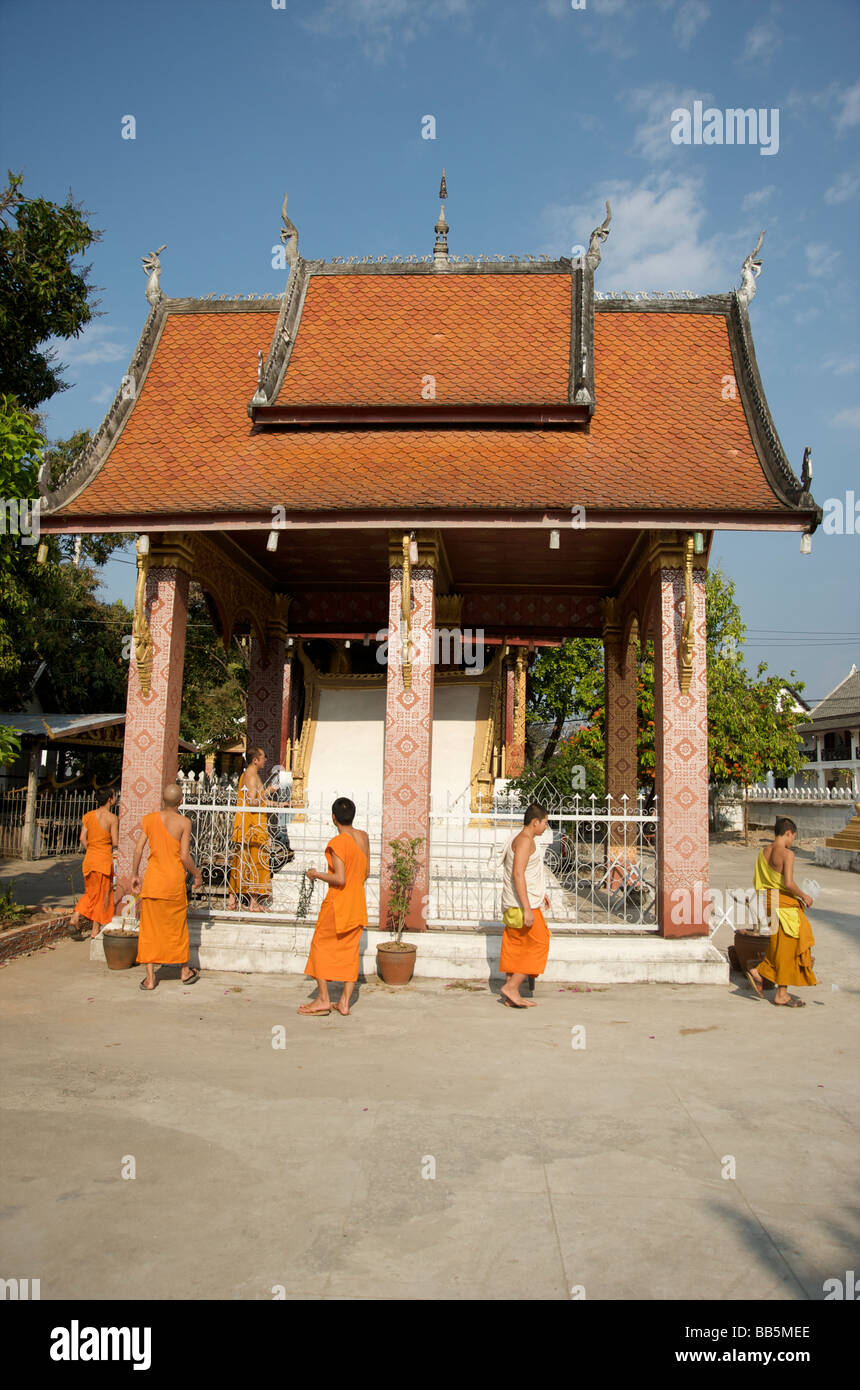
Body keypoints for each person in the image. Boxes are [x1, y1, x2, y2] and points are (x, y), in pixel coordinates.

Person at [299, 797, 369, 1017]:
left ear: (333, 818)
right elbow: (364, 873)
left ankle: (323, 999)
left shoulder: (339, 842)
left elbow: (339, 879)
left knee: (319, 946)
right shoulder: (364, 838)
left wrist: (316, 874)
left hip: (338, 904)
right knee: (350, 954)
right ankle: (345, 1003)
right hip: (357, 902)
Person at [131, 784, 202, 992]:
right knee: (177, 928)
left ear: (163, 801)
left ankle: (150, 978)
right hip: (173, 883)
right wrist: (197, 874)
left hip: (153, 882)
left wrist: (135, 874)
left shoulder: (150, 820)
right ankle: (184, 971)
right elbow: (184, 856)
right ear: (180, 802)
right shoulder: (184, 822)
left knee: (149, 930)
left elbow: (138, 849)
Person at [747, 817, 817, 1007]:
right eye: (793, 837)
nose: (792, 841)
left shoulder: (763, 852)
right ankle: (763, 974)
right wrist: (804, 896)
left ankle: (780, 989)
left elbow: (758, 880)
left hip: (769, 901)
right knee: (792, 943)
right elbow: (788, 883)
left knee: (780, 944)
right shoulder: (787, 854)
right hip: (784, 903)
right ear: (788, 833)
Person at [497, 802, 552, 1008]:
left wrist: (541, 893)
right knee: (540, 943)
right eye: (545, 822)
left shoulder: (522, 839)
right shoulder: (524, 841)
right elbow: (518, 873)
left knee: (516, 946)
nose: (546, 827)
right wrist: (528, 907)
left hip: (518, 902)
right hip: (522, 905)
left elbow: (528, 872)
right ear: (535, 822)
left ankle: (510, 995)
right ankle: (511, 988)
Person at [226, 746, 274, 911]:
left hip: (251, 823)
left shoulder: (250, 775)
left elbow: (257, 800)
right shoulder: (251, 776)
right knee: (254, 860)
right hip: (252, 825)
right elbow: (253, 802)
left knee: (243, 859)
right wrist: (268, 791)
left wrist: (282, 804)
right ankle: (252, 902)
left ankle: (233, 899)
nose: (265, 760)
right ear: (255, 760)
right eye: (263, 757)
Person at [68, 788, 118, 940]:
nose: (115, 798)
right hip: (103, 860)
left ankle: (79, 919)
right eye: (115, 796)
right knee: (101, 895)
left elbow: (83, 838)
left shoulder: (88, 816)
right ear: (110, 799)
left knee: (92, 893)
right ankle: (90, 926)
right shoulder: (112, 818)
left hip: (90, 859)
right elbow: (115, 842)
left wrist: (91, 849)